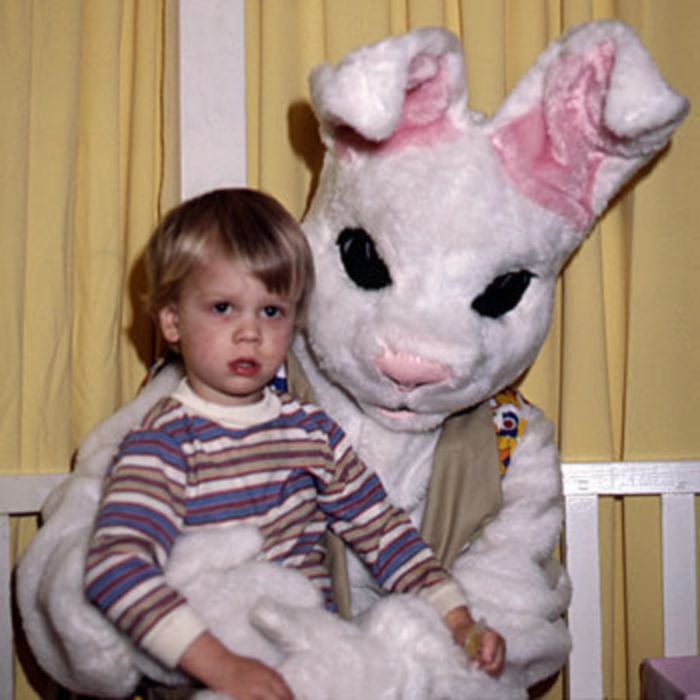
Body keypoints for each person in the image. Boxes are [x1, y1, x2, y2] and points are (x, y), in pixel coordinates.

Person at [84, 188, 505, 700]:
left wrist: (459, 621)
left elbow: (384, 531)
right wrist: (223, 669)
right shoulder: (163, 443)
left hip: (310, 663)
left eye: (272, 311)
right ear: (172, 321)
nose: (249, 333)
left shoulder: (310, 431)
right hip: (203, 669)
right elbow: (116, 569)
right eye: (223, 308)